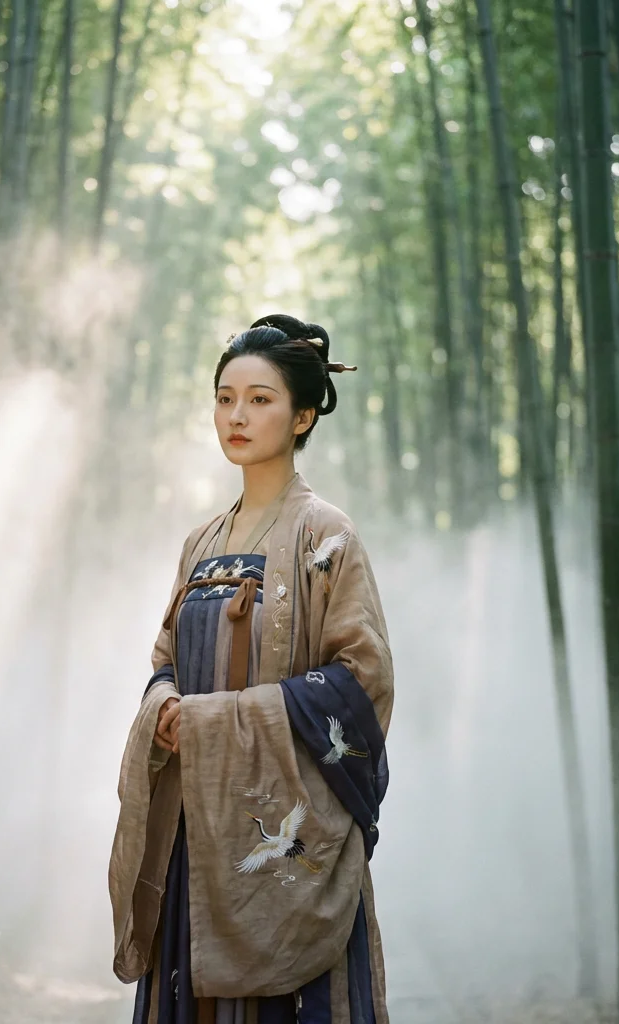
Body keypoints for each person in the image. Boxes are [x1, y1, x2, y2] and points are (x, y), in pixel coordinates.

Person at [109, 314, 394, 1024]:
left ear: (302, 416)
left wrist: (218, 721)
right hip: (193, 832)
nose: (236, 415)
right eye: (225, 396)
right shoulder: (200, 542)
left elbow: (362, 680)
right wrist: (166, 712)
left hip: (278, 843)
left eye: (260, 399)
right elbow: (163, 659)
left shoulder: (325, 535)